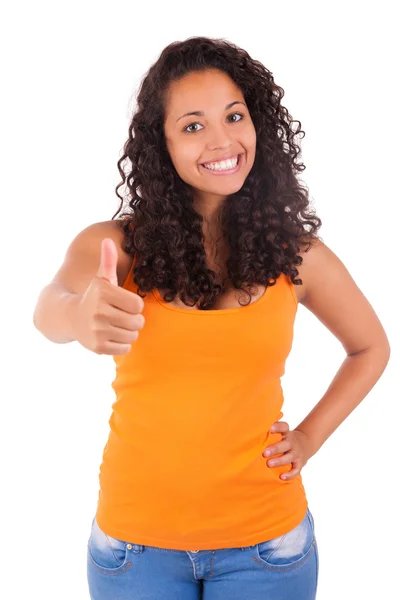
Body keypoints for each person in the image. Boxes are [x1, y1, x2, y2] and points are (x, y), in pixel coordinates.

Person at [33, 36, 390, 600]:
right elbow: (49, 308)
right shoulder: (115, 247)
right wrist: (78, 316)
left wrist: (308, 438)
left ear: (258, 126)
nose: (222, 140)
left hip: (268, 547)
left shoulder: (298, 257)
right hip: (133, 548)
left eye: (234, 116)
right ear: (163, 144)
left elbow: (371, 347)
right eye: (193, 125)